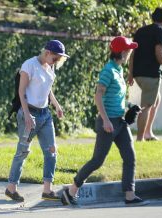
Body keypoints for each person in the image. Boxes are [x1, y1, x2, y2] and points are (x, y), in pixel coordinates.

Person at [61, 36, 149, 206]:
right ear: (123, 52)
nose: (130, 53)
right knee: (97, 160)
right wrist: (105, 120)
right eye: (129, 50)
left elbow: (115, 97)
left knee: (130, 157)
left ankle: (130, 196)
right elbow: (98, 96)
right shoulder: (108, 70)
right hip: (108, 123)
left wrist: (130, 107)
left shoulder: (118, 70)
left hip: (120, 122)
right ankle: (70, 192)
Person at [5, 40, 69, 202]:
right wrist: (26, 114)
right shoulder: (29, 65)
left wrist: (56, 105)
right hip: (30, 113)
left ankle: (47, 190)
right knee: (23, 151)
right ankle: (11, 188)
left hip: (45, 114)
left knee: (52, 150)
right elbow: (22, 91)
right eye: (56, 58)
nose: (57, 61)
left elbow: (48, 88)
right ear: (47, 52)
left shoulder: (50, 66)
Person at [128, 7, 162, 141]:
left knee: (157, 98)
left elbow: (133, 54)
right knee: (146, 107)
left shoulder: (141, 31)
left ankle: (148, 132)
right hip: (150, 74)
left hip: (138, 74)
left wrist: (131, 73)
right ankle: (140, 138)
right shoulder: (161, 31)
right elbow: (159, 53)